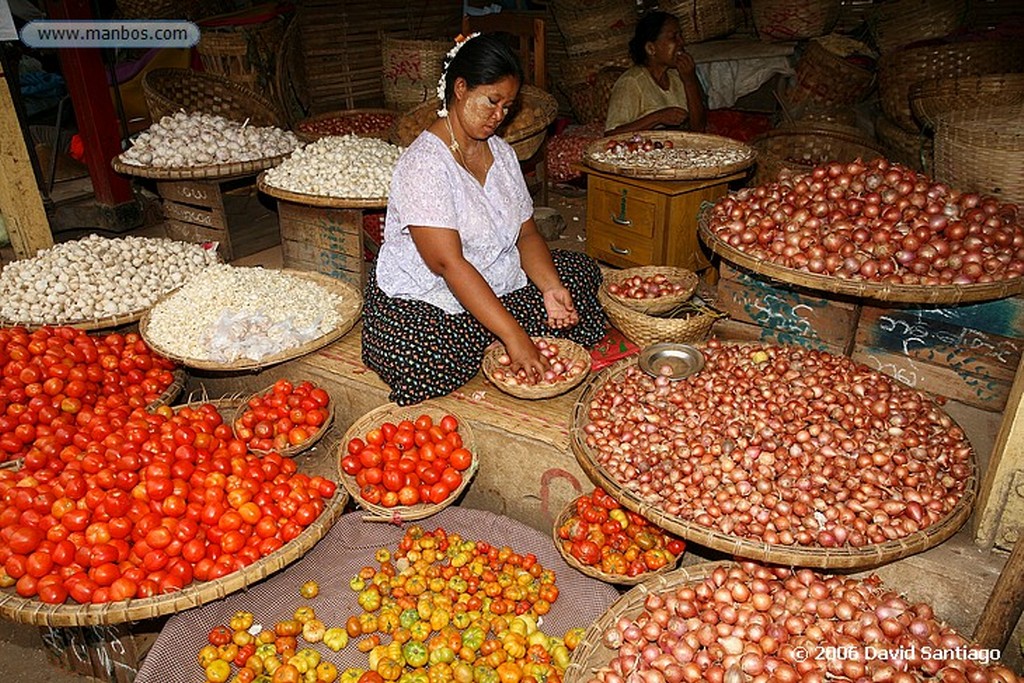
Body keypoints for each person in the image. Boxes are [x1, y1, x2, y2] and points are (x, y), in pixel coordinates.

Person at [362, 33, 607, 406]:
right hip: (432, 295)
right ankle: (500, 336)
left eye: (506, 107)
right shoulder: (425, 163)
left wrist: (551, 289)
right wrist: (515, 336)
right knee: (417, 357)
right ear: (460, 88)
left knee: (580, 273)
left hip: (495, 279)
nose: (498, 116)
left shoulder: (502, 154)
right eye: (491, 102)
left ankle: (490, 336)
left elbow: (526, 234)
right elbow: (448, 263)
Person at [604, 11, 707, 136]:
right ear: (651, 48)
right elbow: (611, 135)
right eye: (674, 37)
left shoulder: (678, 75)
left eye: (681, 36)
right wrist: (657, 118)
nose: (682, 43)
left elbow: (699, 129)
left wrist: (690, 81)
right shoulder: (632, 81)